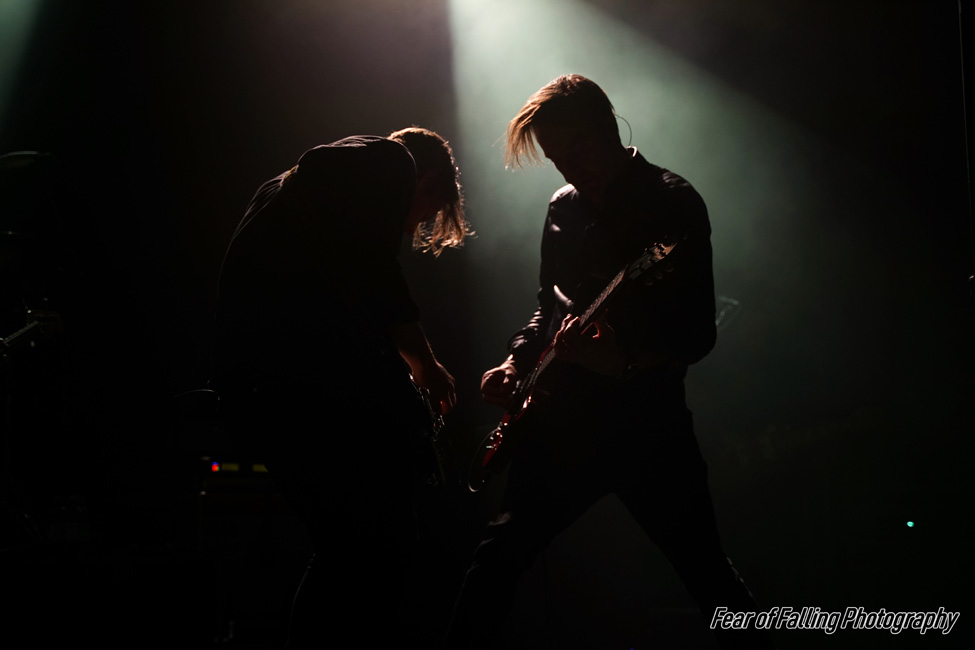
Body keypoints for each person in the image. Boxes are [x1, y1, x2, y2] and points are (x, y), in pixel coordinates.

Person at [443, 75, 773, 649]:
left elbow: (695, 335)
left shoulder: (671, 202)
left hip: (647, 428)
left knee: (708, 576)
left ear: (609, 126)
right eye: (555, 159)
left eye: (579, 151)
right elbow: (551, 305)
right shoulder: (562, 208)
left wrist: (619, 360)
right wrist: (518, 363)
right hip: (562, 426)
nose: (569, 170)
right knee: (495, 563)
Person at [211, 127, 470, 647]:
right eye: (421, 213)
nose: (409, 228)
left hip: (260, 395)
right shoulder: (386, 160)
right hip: (298, 394)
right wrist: (425, 361)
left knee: (350, 548)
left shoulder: (293, 199)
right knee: (378, 541)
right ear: (427, 179)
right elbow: (380, 274)